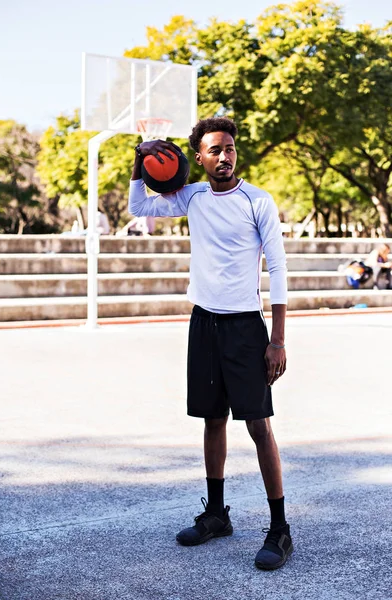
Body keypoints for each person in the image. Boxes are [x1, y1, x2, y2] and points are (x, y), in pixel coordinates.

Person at [129, 117, 292, 570]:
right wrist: (140, 158)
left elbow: (277, 270)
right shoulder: (192, 197)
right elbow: (136, 203)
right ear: (197, 158)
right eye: (215, 150)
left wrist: (277, 339)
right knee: (212, 420)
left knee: (258, 427)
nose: (225, 156)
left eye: (230, 148)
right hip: (203, 323)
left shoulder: (258, 201)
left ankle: (280, 529)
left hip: (245, 327)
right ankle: (217, 514)